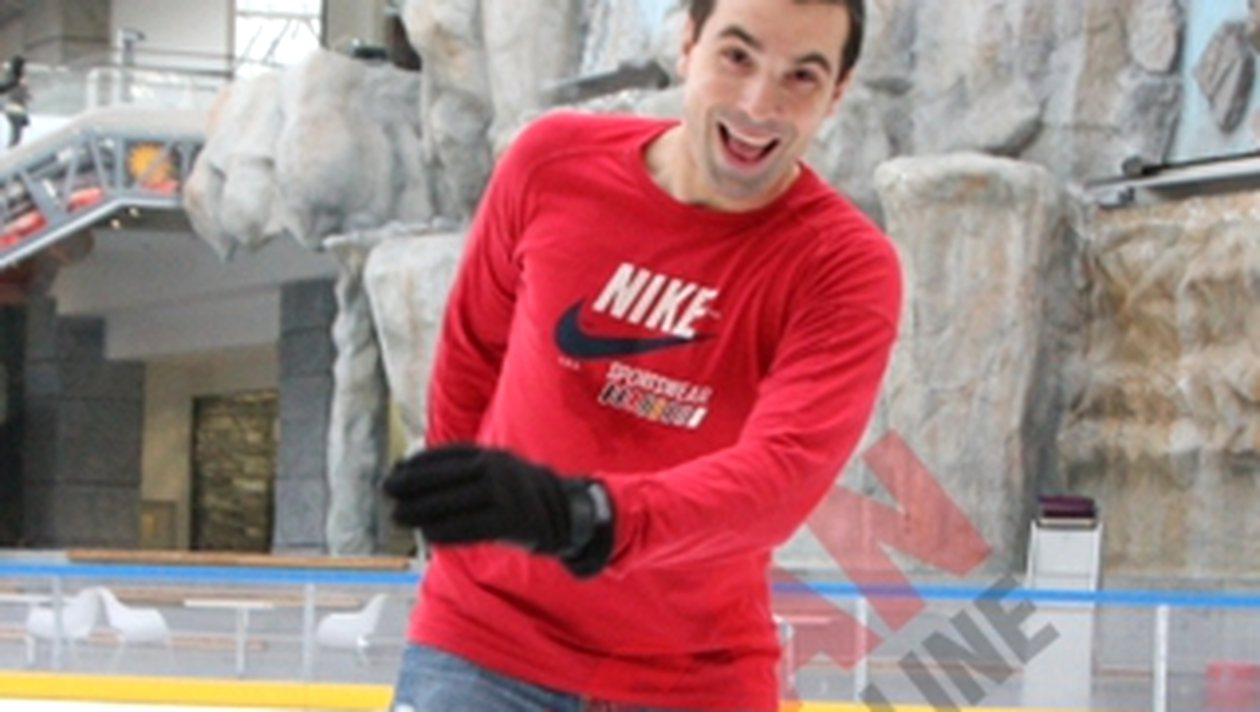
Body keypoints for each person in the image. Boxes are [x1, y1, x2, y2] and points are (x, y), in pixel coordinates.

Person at [383, 0, 900, 709]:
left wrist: (588, 515)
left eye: (801, 77)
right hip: (483, 644)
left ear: (837, 91)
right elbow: (472, 357)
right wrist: (469, 522)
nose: (759, 105)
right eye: (737, 57)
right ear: (687, 44)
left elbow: (781, 476)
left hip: (693, 674)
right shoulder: (549, 164)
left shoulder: (843, 265)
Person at [0, 55, 29, 147]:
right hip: (14, 107)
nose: (25, 68)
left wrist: (27, 95)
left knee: (17, 134)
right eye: (23, 66)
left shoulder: (18, 77)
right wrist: (19, 83)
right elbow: (8, 90)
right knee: (16, 136)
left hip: (16, 107)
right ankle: (12, 151)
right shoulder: (14, 77)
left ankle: (13, 149)